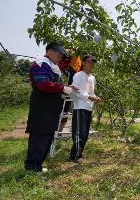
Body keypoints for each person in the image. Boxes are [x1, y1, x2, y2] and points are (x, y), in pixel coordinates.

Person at [25, 42, 76, 173]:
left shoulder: (52, 65)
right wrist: (63, 88)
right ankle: (32, 167)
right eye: (59, 55)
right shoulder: (41, 63)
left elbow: (54, 81)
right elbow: (43, 84)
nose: (60, 59)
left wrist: (65, 87)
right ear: (50, 52)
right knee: (40, 136)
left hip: (50, 106)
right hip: (42, 106)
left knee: (47, 136)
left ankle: (37, 165)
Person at [68, 54, 101, 162]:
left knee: (85, 133)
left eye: (92, 62)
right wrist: (89, 97)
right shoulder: (78, 75)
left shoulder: (92, 77)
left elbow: (91, 92)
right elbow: (76, 91)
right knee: (79, 133)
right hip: (80, 107)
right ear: (83, 62)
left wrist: (95, 97)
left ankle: (79, 154)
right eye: (88, 61)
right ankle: (74, 156)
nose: (90, 64)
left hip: (88, 107)